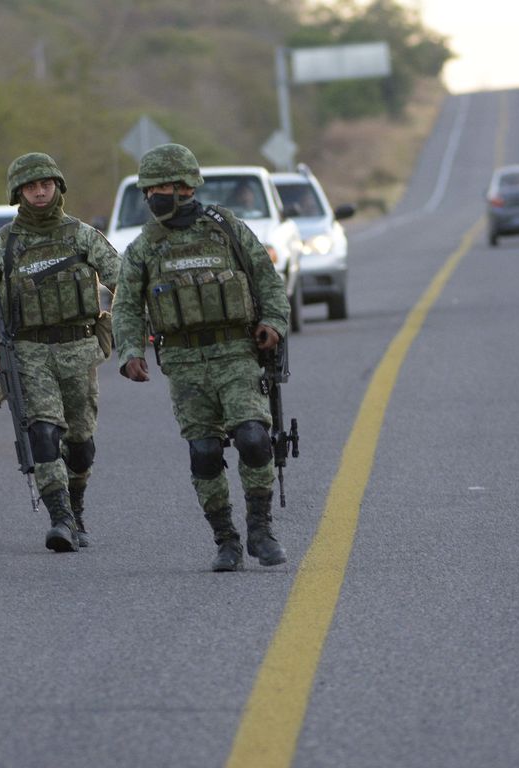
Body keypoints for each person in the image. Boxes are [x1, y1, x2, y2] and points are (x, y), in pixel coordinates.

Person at [111, 143, 291, 572]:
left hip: (236, 353)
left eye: (163, 186)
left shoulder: (226, 229)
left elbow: (267, 282)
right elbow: (126, 306)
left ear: (186, 187)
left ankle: (261, 531)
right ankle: (225, 539)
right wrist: (130, 350)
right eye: (148, 188)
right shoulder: (144, 247)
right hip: (184, 361)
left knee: (252, 437)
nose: (154, 195)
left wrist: (274, 324)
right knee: (205, 451)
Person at [0, 152, 120, 552]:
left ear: (57, 187)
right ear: (18, 192)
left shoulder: (81, 235)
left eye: (46, 185)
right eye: (31, 186)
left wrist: (130, 326)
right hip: (29, 352)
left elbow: (121, 278)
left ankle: (76, 507)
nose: (40, 192)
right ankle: (60, 520)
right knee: (43, 432)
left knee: (81, 443)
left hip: (78, 348)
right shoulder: (2, 245)